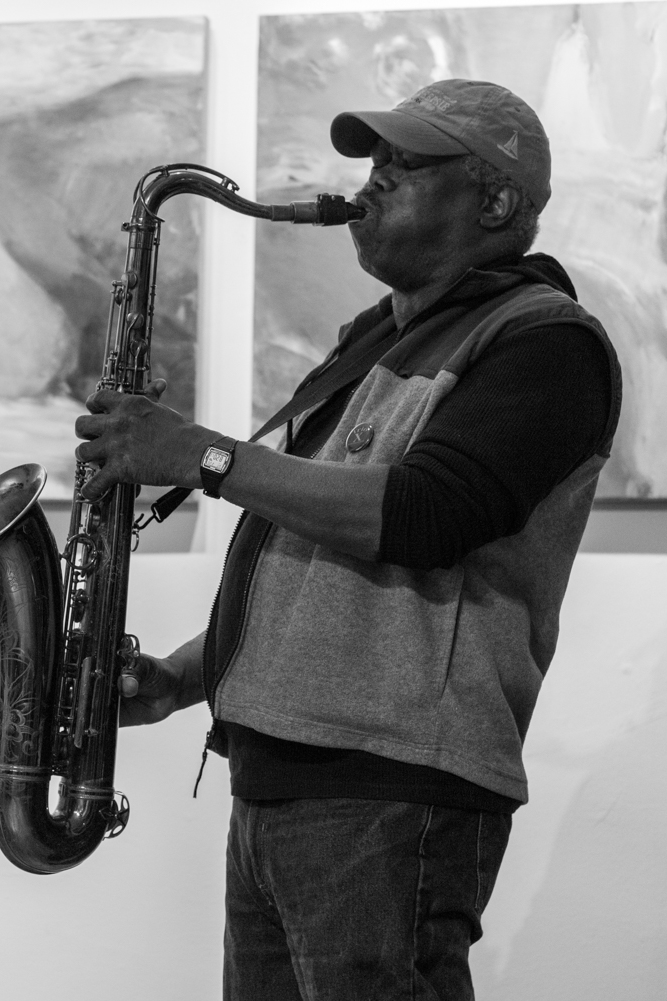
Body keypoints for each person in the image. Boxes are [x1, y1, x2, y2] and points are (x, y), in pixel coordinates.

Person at [74, 79, 621, 1000]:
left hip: (391, 793)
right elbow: (312, 570)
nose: (368, 185)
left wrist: (200, 455)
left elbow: (421, 516)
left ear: (494, 201)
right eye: (372, 162)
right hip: (283, 781)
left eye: (404, 165)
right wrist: (179, 680)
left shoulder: (548, 344)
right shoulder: (377, 340)